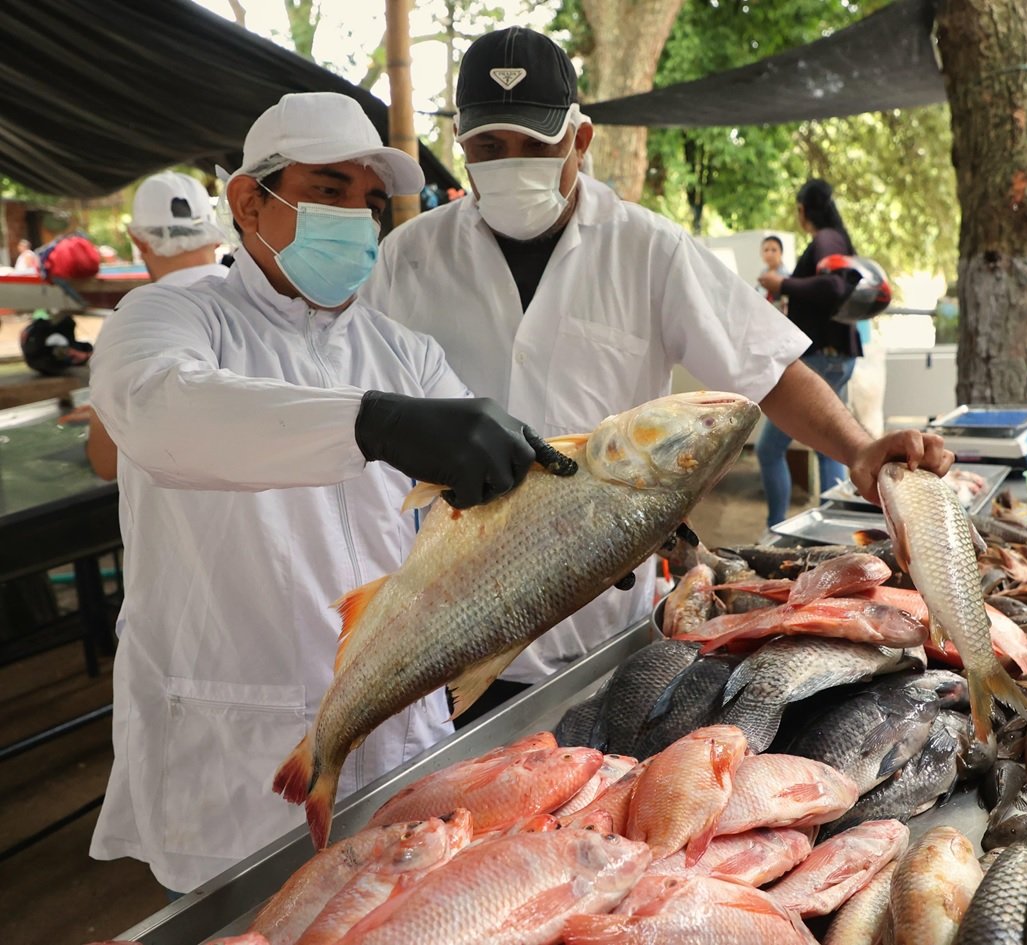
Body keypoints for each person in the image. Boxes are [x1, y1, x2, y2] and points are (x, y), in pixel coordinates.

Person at [360, 27, 955, 716]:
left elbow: (765, 367)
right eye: (490, 147)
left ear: (579, 139)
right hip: (441, 621)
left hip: (598, 627)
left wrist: (857, 448)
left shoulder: (648, 249)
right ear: (460, 143)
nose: (511, 164)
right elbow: (356, 405)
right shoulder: (408, 259)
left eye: (535, 144)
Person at [88, 91, 548, 896]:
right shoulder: (167, 317)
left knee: (398, 910)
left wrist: (573, 518)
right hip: (236, 744)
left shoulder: (402, 351)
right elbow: (157, 412)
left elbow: (484, 500)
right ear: (247, 201)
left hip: (395, 721)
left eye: (368, 202)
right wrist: (372, 423)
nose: (355, 219)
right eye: (328, 190)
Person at [68, 171, 232, 477]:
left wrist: (106, 411)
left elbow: (106, 463)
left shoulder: (130, 322)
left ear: (138, 240)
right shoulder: (267, 301)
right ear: (216, 234)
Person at [756, 179, 863, 527]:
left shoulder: (826, 239)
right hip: (835, 357)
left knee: (769, 449)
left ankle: (775, 529)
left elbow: (834, 286)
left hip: (821, 359)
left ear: (803, 210)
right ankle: (833, 529)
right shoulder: (836, 238)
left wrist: (783, 284)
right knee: (828, 446)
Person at [758, 234, 788, 311]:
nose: (769, 254)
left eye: (774, 250)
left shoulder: (786, 276)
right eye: (766, 250)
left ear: (781, 253)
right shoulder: (763, 274)